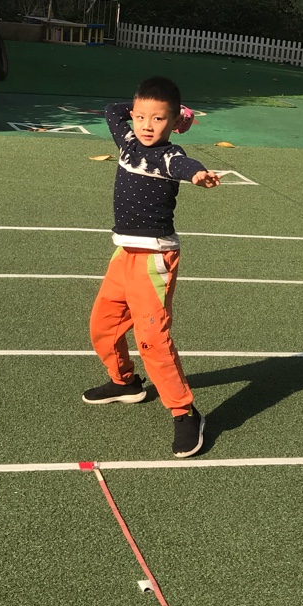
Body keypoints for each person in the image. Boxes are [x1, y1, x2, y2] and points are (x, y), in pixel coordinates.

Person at [83, 75, 220, 457]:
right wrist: (146, 110)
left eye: (158, 119)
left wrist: (198, 175)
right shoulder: (127, 142)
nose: (146, 125)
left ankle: (185, 413)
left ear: (173, 123)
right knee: (102, 326)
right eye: (141, 116)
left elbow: (186, 165)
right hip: (123, 255)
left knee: (152, 341)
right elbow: (112, 111)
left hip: (154, 260)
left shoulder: (168, 156)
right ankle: (124, 382)